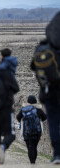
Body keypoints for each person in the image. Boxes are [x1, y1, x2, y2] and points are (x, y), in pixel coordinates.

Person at [30, 12, 60, 164]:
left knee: (54, 122)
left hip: (48, 91)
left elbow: (32, 66)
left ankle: (57, 154)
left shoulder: (43, 48)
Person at [16, 95, 47, 164]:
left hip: (26, 132)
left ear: (28, 101)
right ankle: (33, 161)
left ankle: (32, 162)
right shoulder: (38, 109)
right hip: (37, 132)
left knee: (30, 147)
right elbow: (45, 117)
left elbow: (18, 117)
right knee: (34, 146)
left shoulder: (24, 109)